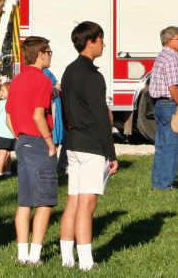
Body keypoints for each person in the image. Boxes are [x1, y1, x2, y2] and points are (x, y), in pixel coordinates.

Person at [59, 22, 118, 270]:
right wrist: (111, 153)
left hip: (72, 142)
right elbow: (101, 117)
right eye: (101, 39)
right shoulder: (93, 76)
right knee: (87, 204)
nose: (104, 43)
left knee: (73, 200)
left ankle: (66, 258)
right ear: (91, 41)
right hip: (91, 144)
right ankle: (86, 262)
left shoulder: (69, 71)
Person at [6, 36, 57, 265]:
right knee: (45, 201)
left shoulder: (17, 80)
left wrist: (19, 135)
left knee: (24, 201)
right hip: (38, 141)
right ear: (40, 54)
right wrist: (50, 143)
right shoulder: (43, 80)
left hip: (22, 141)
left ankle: (22, 254)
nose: (50, 54)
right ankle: (35, 256)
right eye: (48, 51)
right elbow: (39, 114)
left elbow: (8, 118)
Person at [149, 26, 178, 191]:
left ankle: (158, 182)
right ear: (170, 40)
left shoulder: (162, 56)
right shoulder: (172, 58)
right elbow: (173, 87)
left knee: (162, 146)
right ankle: (165, 184)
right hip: (170, 104)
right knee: (172, 147)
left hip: (160, 104)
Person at [0, 78, 15, 175]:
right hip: (4, 132)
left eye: (3, 90)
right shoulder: (4, 103)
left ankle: (6, 171)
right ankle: (2, 172)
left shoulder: (3, 103)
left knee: (6, 153)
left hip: (6, 132)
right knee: (4, 152)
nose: (1, 92)